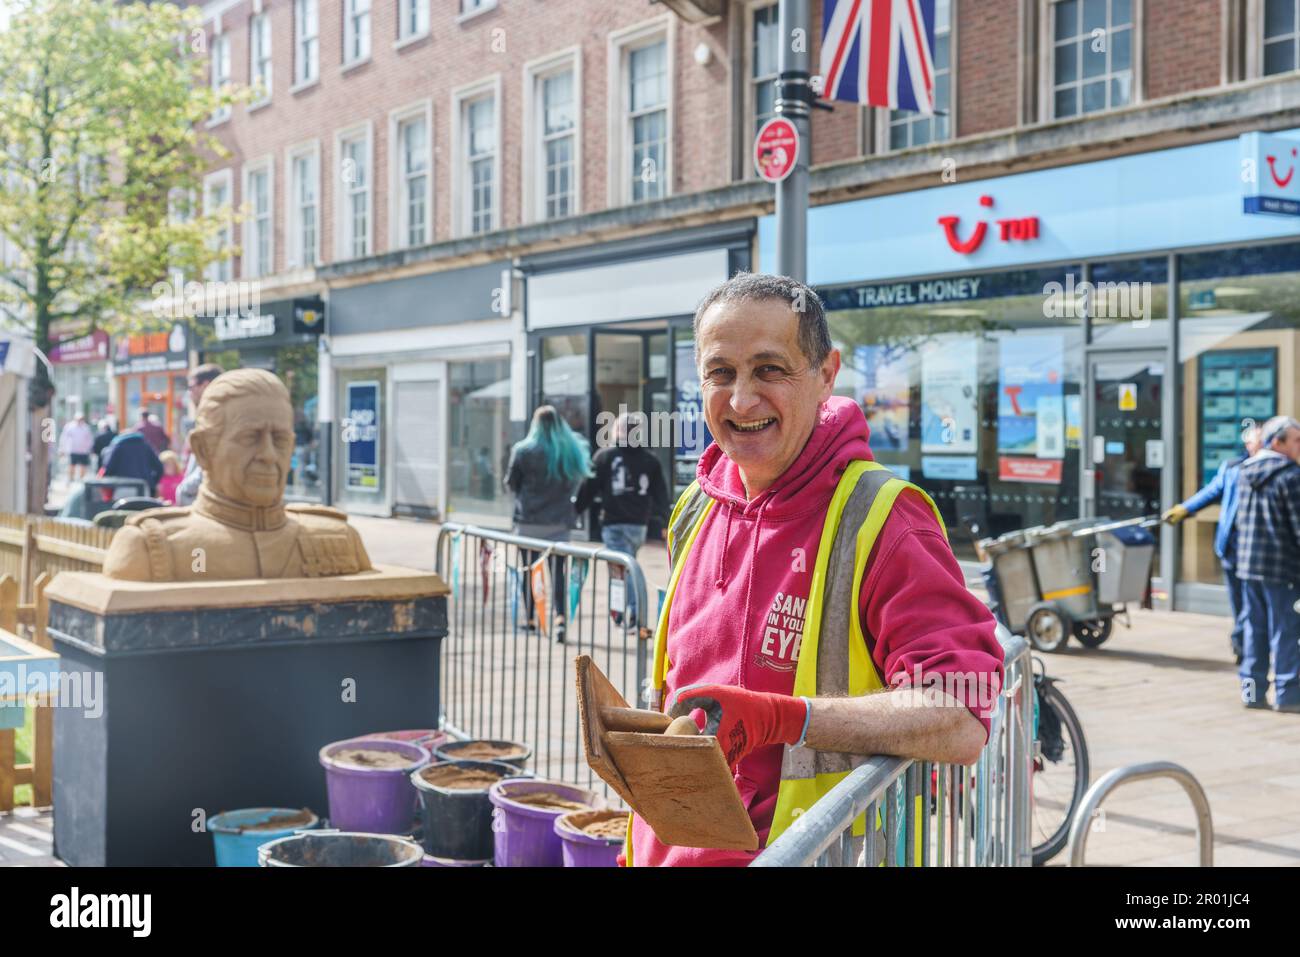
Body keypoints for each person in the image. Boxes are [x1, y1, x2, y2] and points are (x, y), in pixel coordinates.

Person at [625, 273, 1003, 867]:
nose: (742, 399)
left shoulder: (881, 518)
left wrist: (784, 719)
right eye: (720, 373)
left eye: (770, 369)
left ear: (827, 374)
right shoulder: (694, 507)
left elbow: (961, 714)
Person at [102, 369, 371, 581]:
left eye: (279, 439)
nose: (268, 454)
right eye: (249, 437)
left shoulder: (341, 541)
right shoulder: (152, 548)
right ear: (204, 449)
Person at [1162, 424, 1262, 663]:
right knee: (1240, 603)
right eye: (1253, 441)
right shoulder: (1231, 468)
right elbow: (1210, 492)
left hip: (1260, 552)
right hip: (1232, 548)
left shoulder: (1276, 470)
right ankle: (1243, 648)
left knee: (1253, 603)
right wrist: (1184, 509)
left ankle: (1249, 648)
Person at [504, 405, 592, 644]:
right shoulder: (570, 451)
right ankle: (560, 619)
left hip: (529, 522)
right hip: (559, 523)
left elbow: (511, 483)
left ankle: (532, 620)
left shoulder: (522, 450)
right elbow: (580, 482)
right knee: (557, 573)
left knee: (529, 571)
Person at [1232, 414, 1300, 713]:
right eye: (1296, 441)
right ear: (1277, 442)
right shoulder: (1291, 476)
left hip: (1248, 567)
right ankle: (1288, 696)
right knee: (1286, 632)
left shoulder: (1244, 472)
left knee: (1254, 631)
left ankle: (1251, 693)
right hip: (1282, 568)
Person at [575, 413, 669, 628]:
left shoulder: (604, 456)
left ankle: (633, 611)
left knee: (622, 569)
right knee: (626, 567)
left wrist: (576, 509)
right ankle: (619, 612)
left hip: (614, 522)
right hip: (638, 524)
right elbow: (660, 493)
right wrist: (664, 519)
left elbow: (588, 488)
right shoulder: (650, 459)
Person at [176, 364, 225, 506]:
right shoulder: (209, 415)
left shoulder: (216, 416)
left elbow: (209, 466)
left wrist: (183, 490)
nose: (189, 393)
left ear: (205, 385)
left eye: (191, 387)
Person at [99, 425, 164, 495]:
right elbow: (159, 467)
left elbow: (108, 469)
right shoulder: (145, 446)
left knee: (124, 506)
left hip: (122, 487)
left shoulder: (118, 447)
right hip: (143, 487)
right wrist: (151, 482)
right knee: (144, 506)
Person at [59, 413, 95, 482]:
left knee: (83, 466)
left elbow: (90, 439)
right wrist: (62, 449)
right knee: (72, 465)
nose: (80, 420)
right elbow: (64, 438)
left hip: (84, 451)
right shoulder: (69, 427)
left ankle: (82, 480)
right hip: (73, 450)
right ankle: (71, 479)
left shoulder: (86, 427)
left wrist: (90, 448)